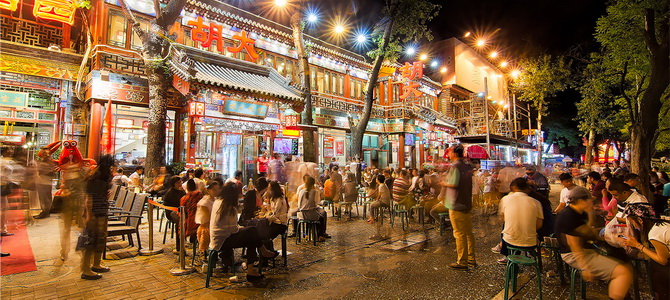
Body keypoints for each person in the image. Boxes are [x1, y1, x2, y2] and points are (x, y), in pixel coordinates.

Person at [555, 186, 632, 300]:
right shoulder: (568, 216)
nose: (593, 201)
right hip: (574, 254)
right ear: (581, 201)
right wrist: (585, 268)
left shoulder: (579, 212)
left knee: (624, 260)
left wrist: (591, 212)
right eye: (590, 199)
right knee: (623, 273)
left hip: (587, 249)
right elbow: (574, 245)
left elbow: (590, 229)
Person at [210, 183, 276, 281]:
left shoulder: (218, 202)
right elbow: (233, 230)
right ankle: (260, 256)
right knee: (252, 231)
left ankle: (253, 268)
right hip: (223, 240)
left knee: (251, 236)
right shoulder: (230, 207)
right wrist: (240, 228)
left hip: (217, 238)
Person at [79, 154, 114, 280]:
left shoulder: (102, 177)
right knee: (90, 240)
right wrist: (89, 215)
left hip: (101, 211)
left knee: (100, 239)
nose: (112, 169)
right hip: (95, 213)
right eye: (111, 166)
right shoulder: (98, 177)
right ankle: (86, 269)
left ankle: (96, 264)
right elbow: (89, 197)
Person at [442, 145, 475, 269]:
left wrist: (443, 182)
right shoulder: (467, 166)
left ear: (455, 153)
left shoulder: (455, 166)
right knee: (468, 233)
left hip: (456, 204)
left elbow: (454, 183)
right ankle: (471, 258)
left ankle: (462, 261)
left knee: (459, 233)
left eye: (449, 152)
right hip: (466, 203)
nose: (448, 154)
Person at [497, 178, 544, 264]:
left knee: (506, 230)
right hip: (531, 243)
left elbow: (502, 219)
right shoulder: (536, 202)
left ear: (513, 188)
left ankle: (508, 259)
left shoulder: (505, 199)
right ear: (527, 189)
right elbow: (539, 225)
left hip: (510, 241)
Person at [621, 219, 670, 299]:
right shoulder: (663, 224)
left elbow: (664, 260)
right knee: (655, 268)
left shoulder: (655, 233)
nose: (635, 227)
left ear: (640, 220)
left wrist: (637, 245)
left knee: (657, 270)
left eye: (632, 222)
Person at [297, 176, 329, 241]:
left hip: (302, 214)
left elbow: (299, 204)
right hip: (312, 214)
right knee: (321, 217)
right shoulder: (315, 191)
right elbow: (317, 202)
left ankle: (309, 234)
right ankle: (320, 235)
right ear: (313, 184)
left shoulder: (301, 191)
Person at [259, 181, 288, 252]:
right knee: (261, 232)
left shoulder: (280, 200)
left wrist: (265, 217)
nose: (268, 190)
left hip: (280, 224)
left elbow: (275, 215)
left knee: (264, 235)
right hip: (274, 222)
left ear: (273, 190)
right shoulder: (273, 199)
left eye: (269, 188)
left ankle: (268, 254)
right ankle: (269, 251)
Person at [194, 181, 219, 264]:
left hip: (215, 225)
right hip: (206, 228)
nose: (217, 191)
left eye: (218, 189)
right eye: (214, 190)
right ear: (208, 190)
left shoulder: (215, 200)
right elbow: (208, 219)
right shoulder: (204, 203)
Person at [180, 179, 203, 252]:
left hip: (190, 222)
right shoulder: (200, 195)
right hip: (200, 220)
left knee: (179, 221)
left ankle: (180, 247)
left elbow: (183, 213)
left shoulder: (184, 198)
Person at [34, 146, 56, 219]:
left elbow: (51, 172)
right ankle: (45, 211)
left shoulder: (48, 161)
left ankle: (45, 212)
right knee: (44, 197)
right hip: (43, 181)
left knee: (45, 198)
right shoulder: (45, 161)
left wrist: (40, 171)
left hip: (45, 181)